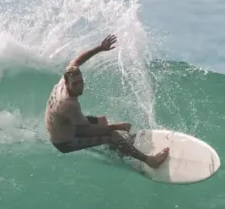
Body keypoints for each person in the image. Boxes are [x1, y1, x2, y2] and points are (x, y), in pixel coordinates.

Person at [44, 34, 170, 169]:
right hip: (65, 141)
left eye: (80, 81)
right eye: (75, 84)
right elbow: (88, 130)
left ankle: (121, 148)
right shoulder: (68, 104)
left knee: (103, 121)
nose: (80, 85)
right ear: (68, 84)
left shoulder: (66, 77)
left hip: (66, 124)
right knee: (112, 136)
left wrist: (100, 48)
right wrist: (117, 126)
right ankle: (149, 161)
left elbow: (77, 60)